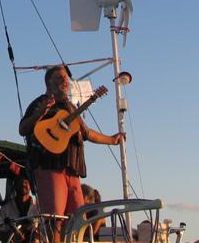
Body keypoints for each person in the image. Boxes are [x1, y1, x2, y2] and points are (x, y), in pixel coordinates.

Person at [18, 65, 124, 243]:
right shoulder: (40, 102)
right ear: (48, 82)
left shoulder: (69, 106)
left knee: (77, 217)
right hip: (49, 165)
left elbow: (86, 133)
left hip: (72, 167)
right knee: (55, 218)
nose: (65, 81)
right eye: (59, 78)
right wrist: (41, 112)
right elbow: (23, 128)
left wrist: (112, 140)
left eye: (66, 78)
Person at [0, 175, 38, 243]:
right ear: (14, 186)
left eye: (26, 182)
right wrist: (11, 236)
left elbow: (45, 229)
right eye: (19, 182)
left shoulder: (37, 207)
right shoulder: (6, 207)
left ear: (31, 186)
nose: (23, 184)